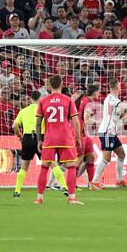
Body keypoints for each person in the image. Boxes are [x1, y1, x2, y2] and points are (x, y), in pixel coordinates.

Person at [35, 75, 82, 205]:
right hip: (65, 138)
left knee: (44, 168)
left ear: (49, 86)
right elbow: (76, 122)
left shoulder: (43, 101)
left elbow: (38, 123)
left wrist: (39, 140)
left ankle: (39, 198)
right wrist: (78, 138)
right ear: (62, 85)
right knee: (71, 167)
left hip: (49, 139)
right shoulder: (68, 100)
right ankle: (72, 198)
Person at [12, 91, 62, 197]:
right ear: (40, 99)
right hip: (41, 138)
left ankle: (17, 191)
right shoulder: (44, 110)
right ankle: (65, 187)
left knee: (24, 167)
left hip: (27, 138)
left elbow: (14, 126)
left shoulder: (23, 111)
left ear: (31, 99)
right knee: (53, 163)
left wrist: (20, 136)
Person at [91, 78, 127, 189]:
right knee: (106, 158)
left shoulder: (116, 100)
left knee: (121, 154)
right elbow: (124, 106)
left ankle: (119, 180)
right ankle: (94, 181)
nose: (121, 88)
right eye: (120, 86)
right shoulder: (110, 99)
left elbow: (118, 116)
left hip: (112, 133)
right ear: (116, 87)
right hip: (106, 132)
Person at [74, 85, 101, 190]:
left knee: (90, 157)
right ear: (94, 93)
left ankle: (91, 184)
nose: (99, 94)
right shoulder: (88, 102)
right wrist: (99, 122)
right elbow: (86, 119)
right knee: (78, 159)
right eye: (98, 92)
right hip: (79, 134)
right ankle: (71, 184)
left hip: (84, 134)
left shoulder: (84, 100)